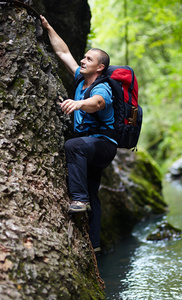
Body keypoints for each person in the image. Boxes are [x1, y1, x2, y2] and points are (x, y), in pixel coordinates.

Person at [40, 16, 117, 252]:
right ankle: (94, 244)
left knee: (73, 146)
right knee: (93, 188)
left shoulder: (102, 85)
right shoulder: (80, 79)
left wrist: (79, 104)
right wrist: (48, 27)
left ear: (100, 67)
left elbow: (98, 103)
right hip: (89, 145)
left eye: (89, 59)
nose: (83, 61)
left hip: (103, 145)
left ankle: (78, 200)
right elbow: (64, 53)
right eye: (84, 57)